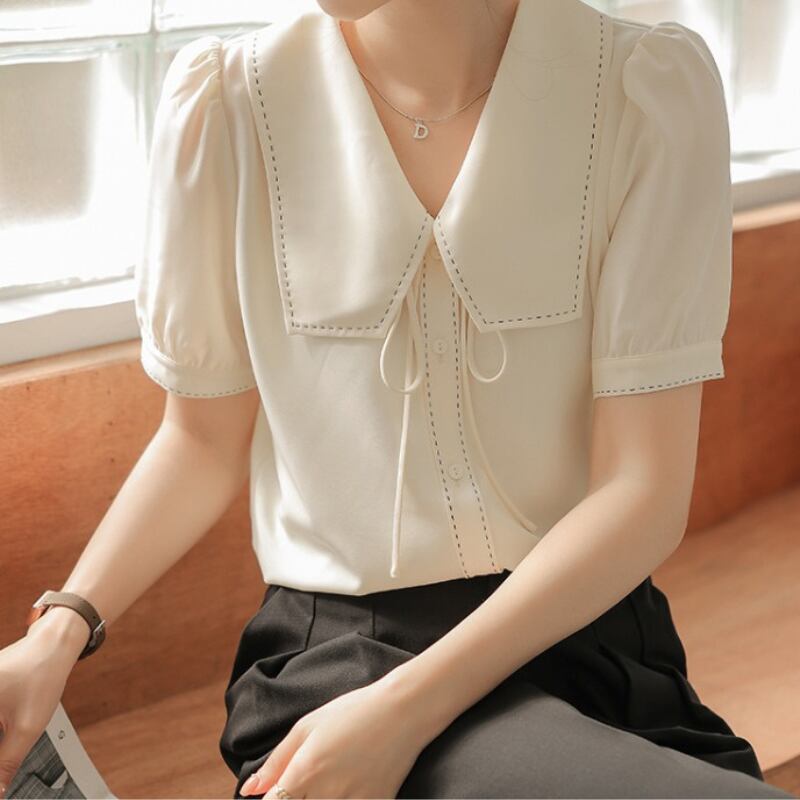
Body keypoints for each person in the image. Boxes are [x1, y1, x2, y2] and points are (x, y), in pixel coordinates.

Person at [0, 0, 795, 798]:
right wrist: (60, 630)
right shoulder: (228, 105)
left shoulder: (639, 92)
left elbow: (643, 491)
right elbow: (201, 441)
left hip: (597, 654)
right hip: (346, 664)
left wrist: (407, 711)